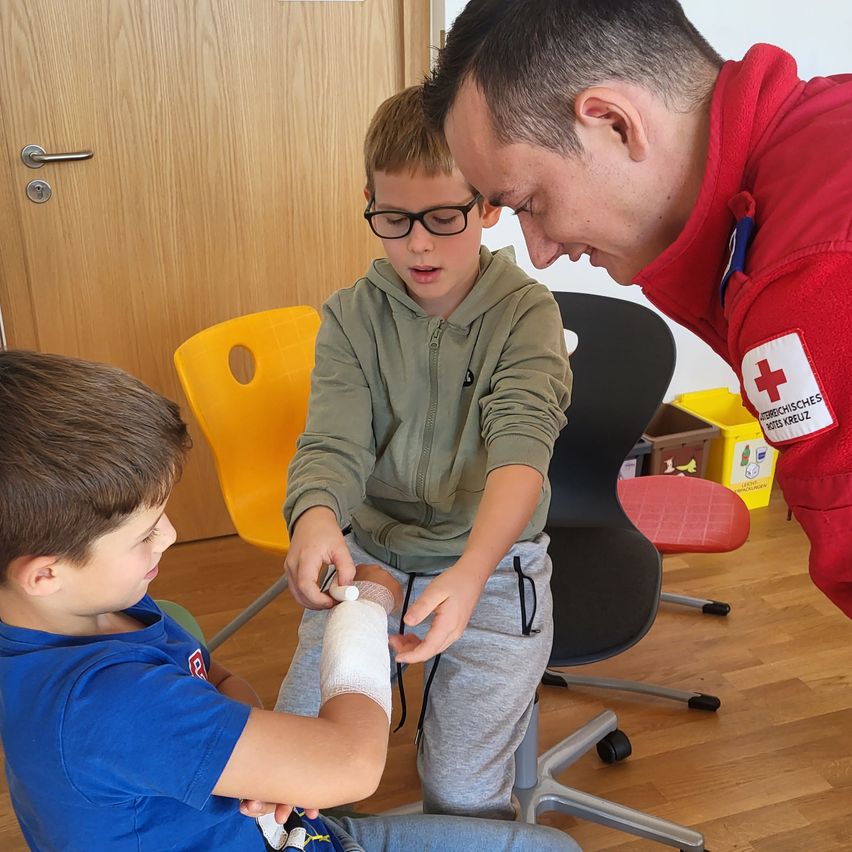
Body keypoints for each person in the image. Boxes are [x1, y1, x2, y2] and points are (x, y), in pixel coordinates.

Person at [0, 349, 579, 852]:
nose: (170, 536)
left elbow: (220, 682)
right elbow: (351, 765)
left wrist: (262, 768)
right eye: (145, 534)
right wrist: (366, 608)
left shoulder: (97, 613)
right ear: (44, 574)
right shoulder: (106, 704)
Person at [423, 0, 852, 618]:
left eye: (529, 203)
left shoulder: (811, 281)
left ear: (615, 124)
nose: (539, 253)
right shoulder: (822, 128)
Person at [276, 85, 572, 818]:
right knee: (297, 770)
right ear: (369, 203)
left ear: (489, 205)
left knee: (461, 791)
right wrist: (314, 517)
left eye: (443, 218)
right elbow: (333, 442)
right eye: (394, 219)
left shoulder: (527, 315)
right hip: (372, 558)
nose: (417, 244)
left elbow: (521, 452)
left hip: (491, 565)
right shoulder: (351, 316)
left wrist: (471, 572)